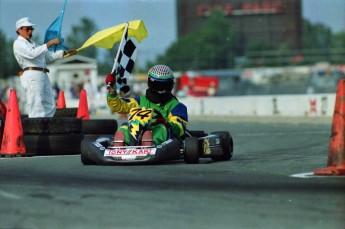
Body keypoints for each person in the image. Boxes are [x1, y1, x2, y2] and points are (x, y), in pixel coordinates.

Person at [105, 64, 188, 146]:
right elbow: (119, 105)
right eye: (157, 85)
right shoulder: (140, 101)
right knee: (124, 129)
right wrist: (112, 89)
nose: (160, 90)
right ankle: (121, 146)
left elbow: (179, 128)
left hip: (164, 139)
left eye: (163, 86)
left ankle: (150, 145)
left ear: (170, 86)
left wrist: (166, 123)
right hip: (138, 132)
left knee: (161, 129)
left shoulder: (176, 106)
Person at [13, 17, 76, 117]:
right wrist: (50, 43)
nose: (30, 31)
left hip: (42, 74)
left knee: (50, 105)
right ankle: (37, 130)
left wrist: (64, 53)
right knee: (36, 105)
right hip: (32, 75)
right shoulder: (18, 43)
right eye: (27, 29)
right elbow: (32, 54)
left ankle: (47, 129)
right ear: (19, 30)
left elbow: (47, 57)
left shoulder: (33, 43)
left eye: (31, 29)